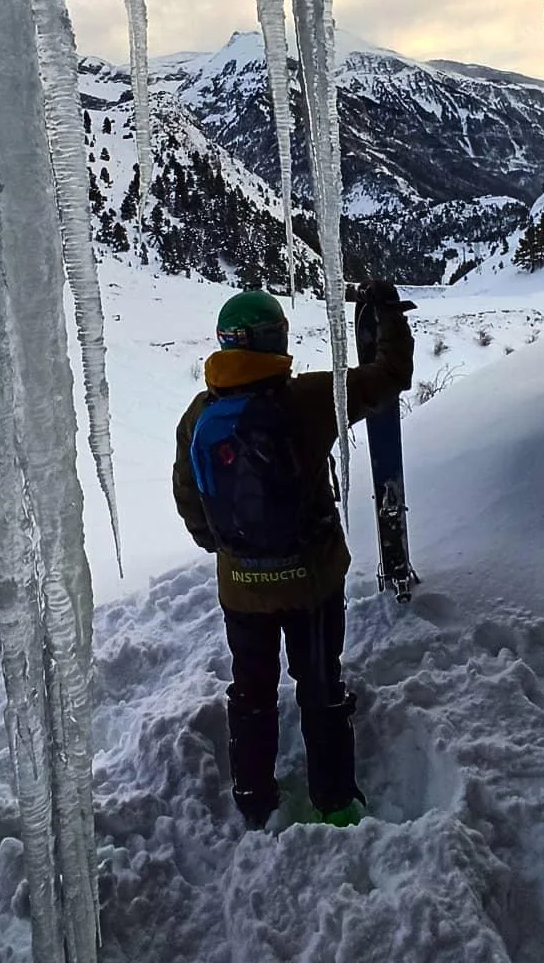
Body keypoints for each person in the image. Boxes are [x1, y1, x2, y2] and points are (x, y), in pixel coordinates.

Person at [172, 282, 414, 829]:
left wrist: (231, 551)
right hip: (312, 582)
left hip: (241, 590)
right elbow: (389, 377)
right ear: (275, 339)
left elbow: (189, 497)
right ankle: (334, 801)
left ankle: (253, 797)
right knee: (321, 685)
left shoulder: (199, 414)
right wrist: (388, 316)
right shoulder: (309, 398)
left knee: (251, 690)